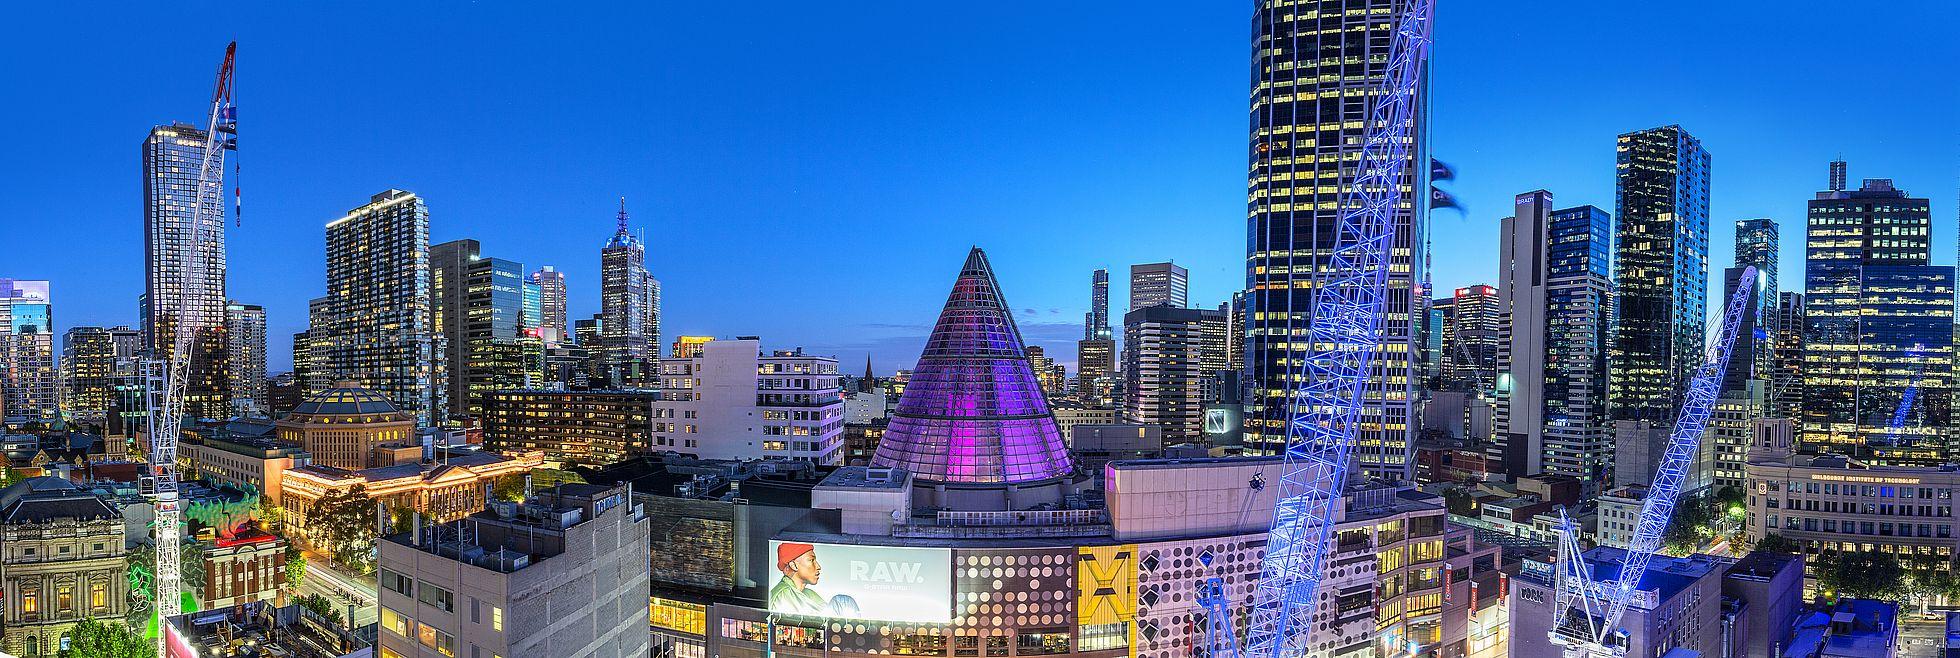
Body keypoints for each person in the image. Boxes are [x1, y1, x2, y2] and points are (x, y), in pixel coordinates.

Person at [770, 542, 831, 615]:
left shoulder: (809, 593)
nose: (818, 567)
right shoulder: (782, 595)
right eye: (811, 560)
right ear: (793, 565)